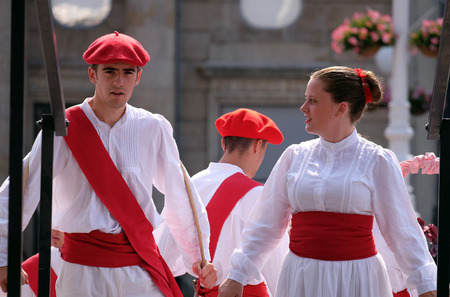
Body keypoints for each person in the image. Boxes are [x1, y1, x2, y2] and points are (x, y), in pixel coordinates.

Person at [0, 31, 217, 297]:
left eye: (128, 72)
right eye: (110, 71)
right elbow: (22, 187)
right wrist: (3, 255)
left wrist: (199, 256)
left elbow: (180, 193)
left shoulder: (153, 127)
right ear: (93, 75)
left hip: (138, 268)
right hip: (82, 271)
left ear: (138, 77)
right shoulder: (63, 128)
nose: (118, 80)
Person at [218, 66, 437, 297]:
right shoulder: (294, 156)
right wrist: (237, 274)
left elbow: (402, 231)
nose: (303, 108)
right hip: (300, 277)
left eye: (312, 100)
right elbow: (265, 223)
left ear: (341, 108)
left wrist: (425, 287)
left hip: (358, 279)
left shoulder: (377, 160)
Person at [155, 108, 289, 297]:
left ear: (223, 142)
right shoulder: (258, 195)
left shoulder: (191, 185)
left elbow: (162, 256)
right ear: (258, 146)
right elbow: (279, 269)